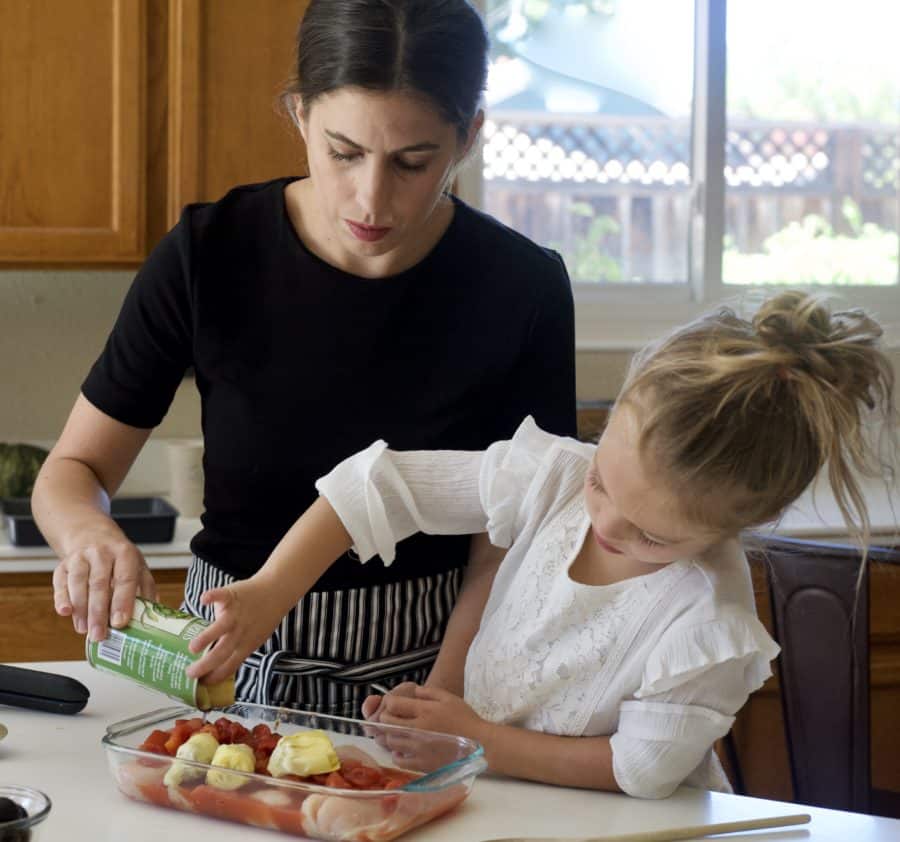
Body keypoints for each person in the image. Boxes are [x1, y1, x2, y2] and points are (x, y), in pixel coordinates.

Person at [31, 0, 577, 715]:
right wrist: (90, 536)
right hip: (214, 670)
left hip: (429, 674)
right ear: (298, 114)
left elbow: (509, 540)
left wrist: (445, 700)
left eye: (413, 162)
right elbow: (74, 472)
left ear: (468, 136)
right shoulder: (210, 253)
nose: (371, 199)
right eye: (343, 152)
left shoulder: (523, 288)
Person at [184, 291, 896, 798]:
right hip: (499, 799)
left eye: (652, 536)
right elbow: (381, 484)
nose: (609, 526)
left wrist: (473, 737)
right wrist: (271, 589)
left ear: (739, 524)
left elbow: (640, 770)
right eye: (605, 484)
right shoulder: (554, 476)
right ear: (613, 418)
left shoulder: (708, 619)